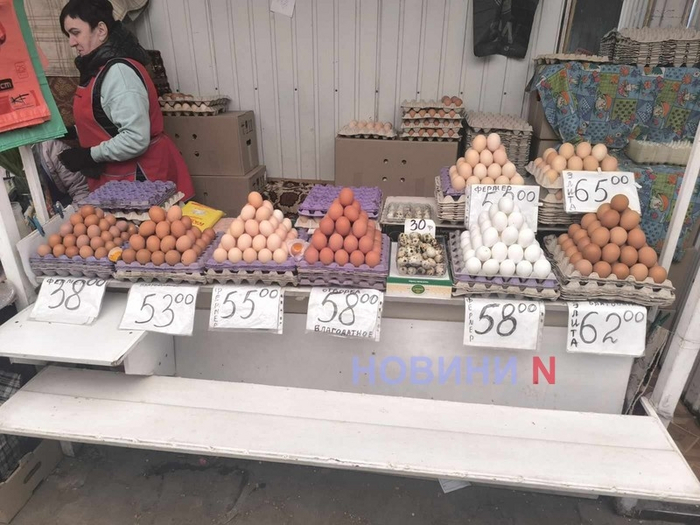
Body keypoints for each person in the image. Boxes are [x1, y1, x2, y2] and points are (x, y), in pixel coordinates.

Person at [57, 0, 194, 200]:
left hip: (142, 177)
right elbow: (106, 120)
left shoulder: (119, 73)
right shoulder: (99, 68)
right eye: (68, 35)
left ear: (101, 30)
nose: (71, 42)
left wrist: (88, 156)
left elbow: (135, 138)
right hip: (118, 177)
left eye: (76, 33)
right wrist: (73, 132)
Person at [33, 140, 90, 207]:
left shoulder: (52, 146)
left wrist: (77, 210)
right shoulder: (26, 155)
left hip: (72, 203)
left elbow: (79, 187)